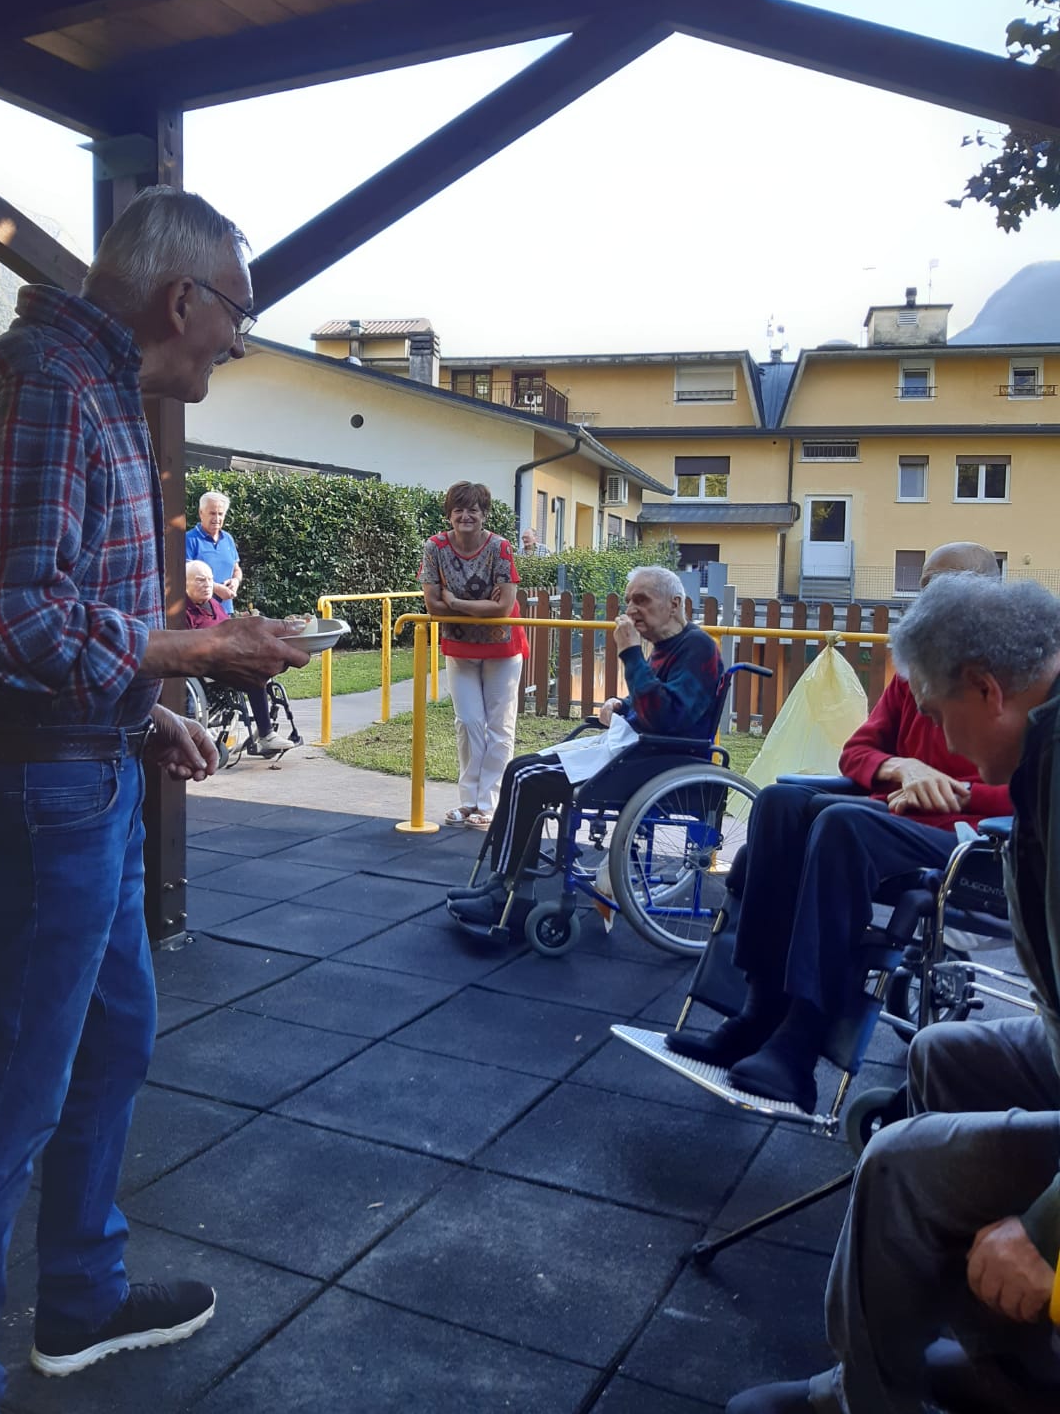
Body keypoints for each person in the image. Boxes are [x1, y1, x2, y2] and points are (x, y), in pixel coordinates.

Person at [0, 186, 310, 1414]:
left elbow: (62, 620)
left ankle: (80, 1299)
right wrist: (202, 649)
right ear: (182, 299)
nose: (239, 338)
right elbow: (16, 626)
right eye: (238, 311)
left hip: (83, 775)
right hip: (41, 803)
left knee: (110, 1043)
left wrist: (146, 712)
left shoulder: (84, 387)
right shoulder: (48, 387)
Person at [728, 572, 1060, 1414]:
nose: (941, 734)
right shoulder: (1040, 745)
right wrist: (895, 765)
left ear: (986, 688)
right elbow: (861, 749)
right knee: (939, 1053)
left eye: (944, 717)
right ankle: (1009, 1365)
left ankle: (864, 1399)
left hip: (947, 840)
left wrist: (1046, 1230)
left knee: (898, 1166)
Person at [667, 541, 1012, 1115]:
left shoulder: (1015, 679)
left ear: (988, 598)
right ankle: (759, 1012)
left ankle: (801, 1043)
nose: (927, 600)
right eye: (924, 587)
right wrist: (898, 766)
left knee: (843, 824)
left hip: (974, 840)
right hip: (896, 819)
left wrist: (958, 792)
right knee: (779, 803)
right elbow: (858, 750)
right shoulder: (916, 672)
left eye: (944, 588)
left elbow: (1036, 789)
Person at [447, 563, 723, 933]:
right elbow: (656, 702)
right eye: (629, 601)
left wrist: (630, 654)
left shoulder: (697, 648)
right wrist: (622, 705)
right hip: (645, 751)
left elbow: (665, 716)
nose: (631, 609)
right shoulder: (668, 646)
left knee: (528, 778)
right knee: (520, 768)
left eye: (642, 600)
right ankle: (502, 884)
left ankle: (509, 898)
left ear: (675, 604)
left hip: (662, 760)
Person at [419, 481, 528, 829]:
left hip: (502, 646)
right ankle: (468, 800)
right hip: (460, 645)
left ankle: (489, 803)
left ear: (484, 514)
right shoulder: (435, 547)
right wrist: (480, 606)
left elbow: (504, 607)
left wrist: (454, 601)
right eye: (458, 510)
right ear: (449, 515)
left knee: (499, 726)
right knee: (468, 722)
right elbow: (432, 605)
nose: (465, 516)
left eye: (473, 510)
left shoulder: (500, 547)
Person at [185, 560, 295, 754]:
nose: (208, 584)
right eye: (200, 580)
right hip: (206, 666)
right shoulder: (182, 611)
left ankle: (266, 730)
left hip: (230, 658)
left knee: (262, 666)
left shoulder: (214, 604)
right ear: (184, 583)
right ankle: (266, 734)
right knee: (253, 675)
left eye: (210, 579)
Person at [185, 489, 243, 611]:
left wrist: (235, 581)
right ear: (201, 513)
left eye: (220, 514)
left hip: (225, 611)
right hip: (200, 612)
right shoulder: (189, 540)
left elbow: (236, 569)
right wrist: (215, 588)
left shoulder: (228, 539)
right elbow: (184, 576)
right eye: (212, 513)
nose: (217, 518)